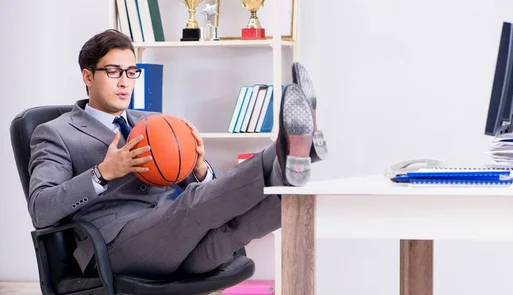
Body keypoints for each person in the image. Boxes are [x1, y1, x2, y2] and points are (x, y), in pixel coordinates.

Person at [27, 29, 327, 277]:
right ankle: (284, 151)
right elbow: (41, 210)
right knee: (190, 204)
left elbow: (215, 193)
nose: (124, 81)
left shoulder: (153, 122)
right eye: (113, 71)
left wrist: (199, 169)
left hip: (175, 241)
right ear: (88, 77)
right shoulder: (56, 132)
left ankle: (292, 167)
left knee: (238, 227)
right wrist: (102, 173)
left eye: (131, 72)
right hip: (114, 247)